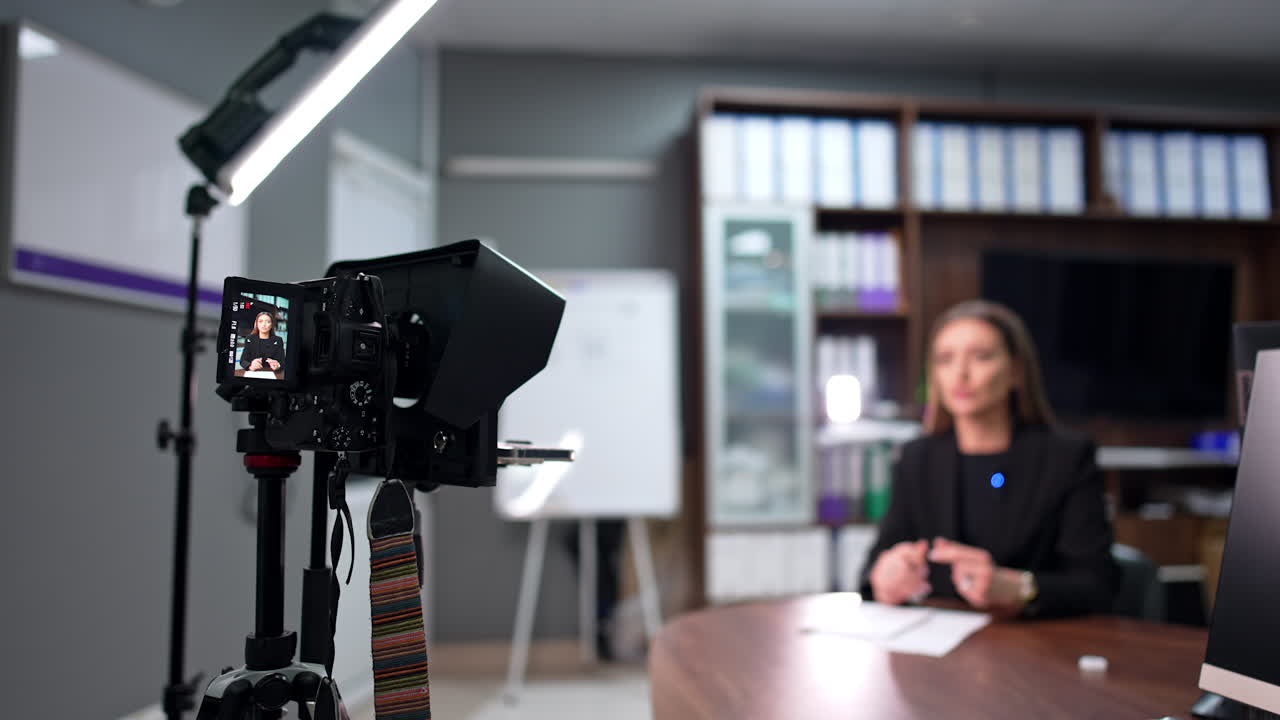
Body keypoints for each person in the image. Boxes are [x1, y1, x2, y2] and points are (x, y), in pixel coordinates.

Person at [861, 299, 1117, 618]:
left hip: (1034, 638)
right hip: (939, 635)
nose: (960, 373)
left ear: (1016, 371)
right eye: (945, 359)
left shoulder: (1067, 458)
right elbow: (872, 570)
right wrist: (885, 578)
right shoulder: (918, 458)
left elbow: (1097, 585)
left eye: (981, 356)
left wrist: (1020, 587)